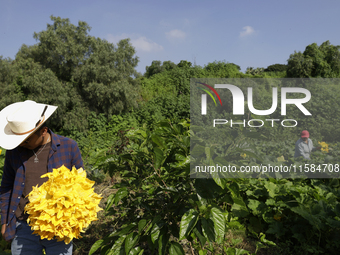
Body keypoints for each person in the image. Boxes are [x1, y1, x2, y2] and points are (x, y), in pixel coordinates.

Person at [0, 100, 84, 255]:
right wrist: (4, 222)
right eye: (19, 140)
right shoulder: (14, 152)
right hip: (23, 227)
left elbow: (81, 186)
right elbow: (6, 188)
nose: (21, 144)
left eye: (26, 140)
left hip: (59, 227)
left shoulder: (69, 147)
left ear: (43, 130)